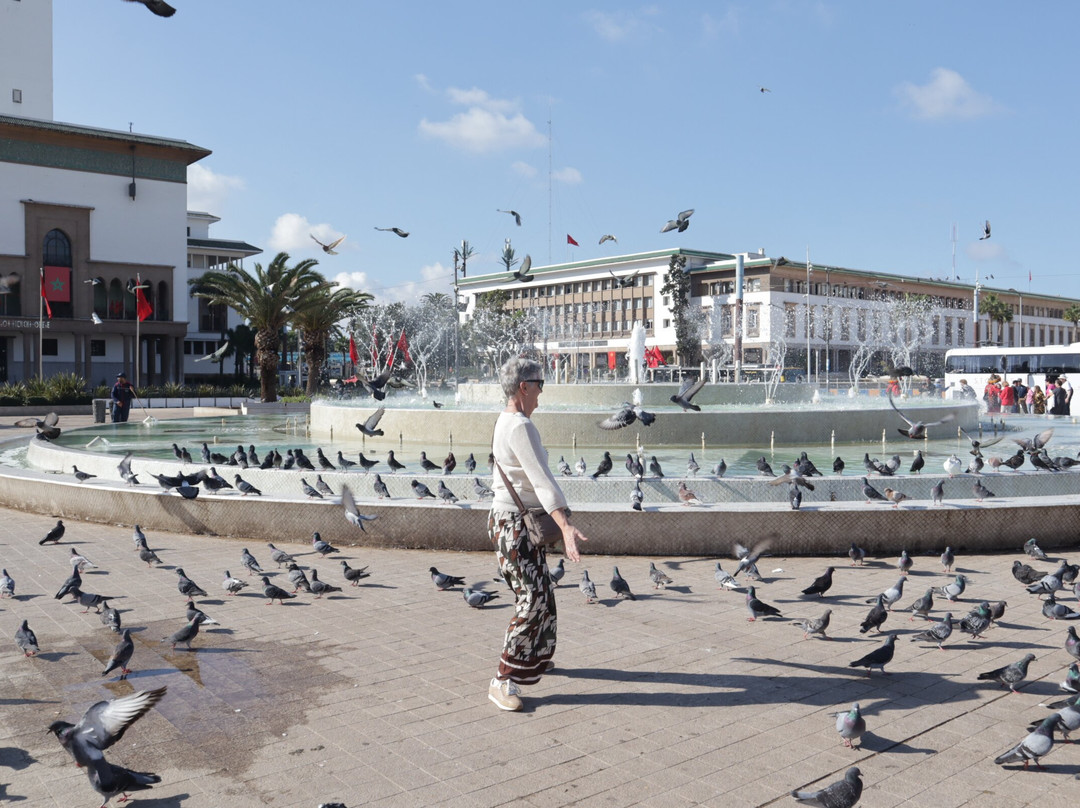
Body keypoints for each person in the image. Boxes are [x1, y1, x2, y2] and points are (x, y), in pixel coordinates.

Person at [487, 357, 588, 712]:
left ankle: (535, 659)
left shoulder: (506, 420)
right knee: (532, 600)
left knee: (542, 593)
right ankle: (502, 679)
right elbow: (542, 481)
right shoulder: (520, 427)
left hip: (506, 522)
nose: (543, 391)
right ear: (523, 387)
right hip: (516, 526)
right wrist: (565, 526)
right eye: (540, 383)